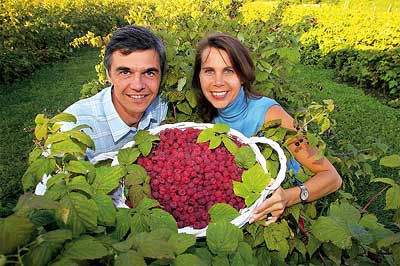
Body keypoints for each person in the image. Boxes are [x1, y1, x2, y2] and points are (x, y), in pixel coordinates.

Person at [192, 33, 342, 226]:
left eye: (229, 70)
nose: (218, 81)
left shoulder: (270, 115)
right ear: (199, 76)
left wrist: (287, 197)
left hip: (285, 215)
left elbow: (332, 177)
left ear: (243, 75)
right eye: (209, 71)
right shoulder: (210, 117)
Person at [62, 25, 168, 161]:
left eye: (149, 73)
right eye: (125, 72)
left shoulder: (161, 106)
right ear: (108, 74)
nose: (138, 85)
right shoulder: (72, 130)